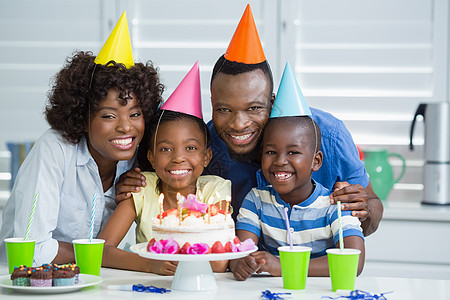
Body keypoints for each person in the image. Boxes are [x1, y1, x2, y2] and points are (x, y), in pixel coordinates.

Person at [115, 4, 383, 236]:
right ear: (211, 104)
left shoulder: (328, 135)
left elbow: (373, 209)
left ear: (273, 102)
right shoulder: (203, 150)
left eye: (254, 108)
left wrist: (364, 208)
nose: (238, 124)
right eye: (223, 110)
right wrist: (139, 185)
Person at [0, 12, 164, 265]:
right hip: (25, 282)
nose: (125, 127)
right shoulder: (54, 150)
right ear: (82, 116)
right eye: (109, 115)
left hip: (90, 282)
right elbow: (32, 251)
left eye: (135, 113)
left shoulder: (140, 161)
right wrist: (108, 256)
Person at [230, 64, 365, 280]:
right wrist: (240, 263)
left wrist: (285, 267)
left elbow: (353, 262)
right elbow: (241, 252)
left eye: (293, 152)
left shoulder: (335, 205)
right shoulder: (256, 201)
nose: (280, 161)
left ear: (316, 161)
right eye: (271, 151)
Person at [98, 62, 231, 275]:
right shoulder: (142, 189)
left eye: (190, 148)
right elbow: (101, 250)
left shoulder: (214, 191)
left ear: (206, 156)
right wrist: (151, 264)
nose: (178, 158)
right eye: (166, 148)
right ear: (151, 157)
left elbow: (220, 262)